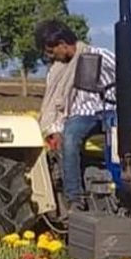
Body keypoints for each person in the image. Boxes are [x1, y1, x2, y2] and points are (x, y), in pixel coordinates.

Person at [35, 20, 116, 210]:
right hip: (83, 114)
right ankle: (74, 198)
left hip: (111, 110)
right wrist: (54, 130)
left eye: (51, 51)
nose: (50, 56)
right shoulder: (56, 70)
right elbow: (55, 105)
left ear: (63, 44)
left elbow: (129, 73)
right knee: (70, 137)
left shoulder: (99, 55)